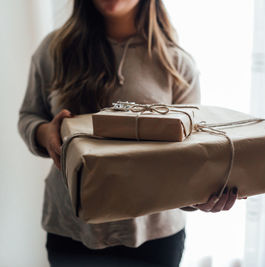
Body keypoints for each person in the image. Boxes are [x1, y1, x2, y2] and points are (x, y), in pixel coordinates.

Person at [18, 0, 239, 266]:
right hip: (71, 230)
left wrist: (198, 199)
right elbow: (29, 116)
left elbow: (189, 154)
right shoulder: (54, 50)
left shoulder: (176, 63)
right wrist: (46, 133)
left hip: (154, 237)